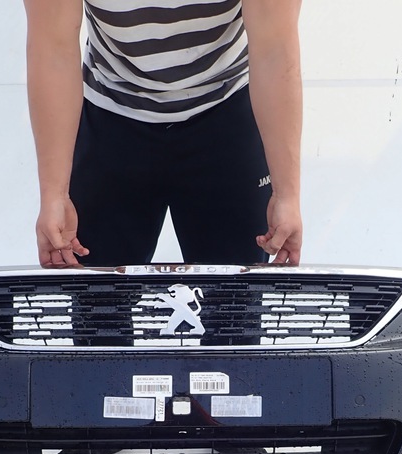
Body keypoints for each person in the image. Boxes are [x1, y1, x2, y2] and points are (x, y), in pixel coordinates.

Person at [22, 0, 303, 268]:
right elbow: (53, 50)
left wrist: (286, 194)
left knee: (232, 299)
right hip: (112, 112)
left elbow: (274, 49)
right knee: (99, 298)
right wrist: (54, 195)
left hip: (225, 109)